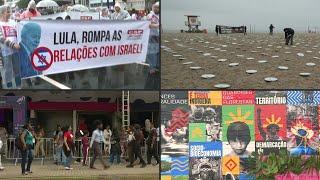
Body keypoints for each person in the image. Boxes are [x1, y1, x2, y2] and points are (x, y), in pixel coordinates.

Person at [0, 5, 21, 89]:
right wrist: (13, 45)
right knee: (8, 71)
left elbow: (19, 31)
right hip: (6, 52)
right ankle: (9, 88)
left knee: (17, 69)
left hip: (16, 50)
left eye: (10, 11)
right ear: (1, 13)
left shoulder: (13, 22)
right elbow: (1, 38)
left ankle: (19, 87)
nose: (9, 13)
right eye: (7, 11)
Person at [145, 1, 160, 89]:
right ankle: (152, 68)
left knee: (157, 52)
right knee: (151, 53)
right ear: (153, 7)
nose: (156, 9)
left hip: (158, 37)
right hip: (152, 36)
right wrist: (157, 25)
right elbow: (148, 24)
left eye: (158, 7)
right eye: (155, 7)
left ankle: (157, 66)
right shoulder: (150, 15)